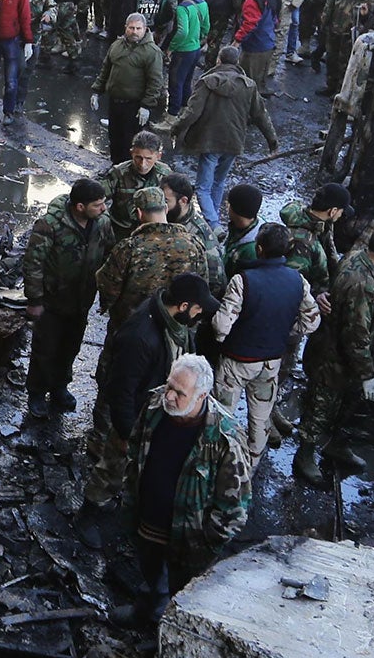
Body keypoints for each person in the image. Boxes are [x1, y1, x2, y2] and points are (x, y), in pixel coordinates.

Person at [126, 354, 252, 623]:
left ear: (202, 395)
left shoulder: (225, 438)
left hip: (190, 541)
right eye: (169, 386)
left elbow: (235, 509)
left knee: (184, 594)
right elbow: (136, 446)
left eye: (179, 393)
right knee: (149, 570)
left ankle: (171, 630)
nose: (169, 396)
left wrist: (205, 542)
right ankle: (146, 609)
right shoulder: (155, 405)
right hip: (149, 522)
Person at [83, 276, 215, 519]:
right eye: (198, 308)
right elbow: (121, 389)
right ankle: (91, 510)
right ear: (183, 306)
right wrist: (126, 433)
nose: (200, 314)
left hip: (154, 410)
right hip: (134, 417)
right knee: (112, 468)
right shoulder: (140, 336)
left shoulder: (174, 325)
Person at [293, 222, 374, 486]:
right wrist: (367, 375)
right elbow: (356, 335)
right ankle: (304, 455)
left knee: (346, 406)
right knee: (319, 409)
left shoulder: (359, 258)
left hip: (341, 359)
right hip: (332, 361)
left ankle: (336, 445)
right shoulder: (362, 284)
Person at [209, 222, 321, 464]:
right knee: (260, 419)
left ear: (259, 248)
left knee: (222, 416)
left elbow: (221, 325)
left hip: (237, 361)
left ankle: (220, 465)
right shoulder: (298, 281)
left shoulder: (243, 280)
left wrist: (221, 341)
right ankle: (250, 467)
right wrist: (288, 330)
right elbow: (312, 322)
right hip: (271, 363)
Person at [23, 178, 114, 417]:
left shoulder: (102, 223)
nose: (103, 208)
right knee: (45, 349)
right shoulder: (50, 224)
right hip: (52, 302)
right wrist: (34, 300)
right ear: (80, 207)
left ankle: (59, 387)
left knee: (70, 346)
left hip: (81, 301)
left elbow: (109, 258)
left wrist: (106, 295)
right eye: (97, 204)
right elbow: (33, 262)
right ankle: (36, 393)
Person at [170, 46, 279, 228]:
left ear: (219, 60)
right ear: (237, 62)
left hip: (209, 140)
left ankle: (213, 225)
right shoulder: (249, 86)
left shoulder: (207, 82)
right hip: (234, 141)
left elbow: (192, 112)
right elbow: (262, 116)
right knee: (219, 182)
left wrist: (176, 128)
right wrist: (273, 142)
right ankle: (213, 220)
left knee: (203, 187)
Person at [97, 187, 209, 330]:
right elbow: (202, 288)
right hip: (173, 330)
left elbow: (108, 288)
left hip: (129, 330)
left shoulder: (129, 248)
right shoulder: (194, 245)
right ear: (166, 209)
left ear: (138, 213)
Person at [92, 13, 168, 165]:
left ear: (145, 29)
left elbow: (155, 82)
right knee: (114, 138)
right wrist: (96, 91)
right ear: (125, 28)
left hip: (134, 106)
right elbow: (106, 69)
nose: (134, 31)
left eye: (138, 28)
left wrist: (146, 106)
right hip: (115, 102)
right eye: (131, 28)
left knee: (131, 143)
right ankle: (115, 167)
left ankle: (130, 172)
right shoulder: (116, 45)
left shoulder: (152, 52)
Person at [102, 133, 176, 240]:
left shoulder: (165, 175)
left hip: (153, 234)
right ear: (132, 153)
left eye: (148, 159)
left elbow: (176, 204)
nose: (142, 164)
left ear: (158, 156)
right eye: (138, 157)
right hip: (121, 232)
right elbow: (97, 198)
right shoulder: (118, 173)